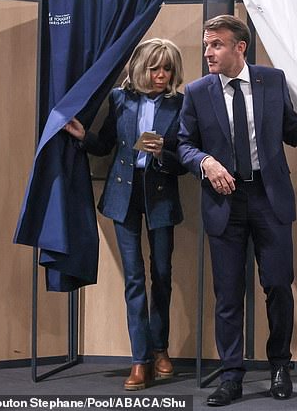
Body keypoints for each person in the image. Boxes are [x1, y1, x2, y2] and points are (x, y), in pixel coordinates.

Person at [177, 15, 297, 406]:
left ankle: (280, 366)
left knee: (278, 286)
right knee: (228, 294)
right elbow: (182, 145)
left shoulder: (272, 81)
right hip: (224, 201)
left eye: (217, 45)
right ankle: (231, 377)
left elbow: (291, 131)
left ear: (239, 48)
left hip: (269, 198)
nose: (208, 52)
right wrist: (205, 162)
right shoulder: (196, 92)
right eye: (207, 44)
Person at [63, 38, 187, 391]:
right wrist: (83, 136)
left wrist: (165, 152)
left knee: (162, 275)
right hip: (123, 195)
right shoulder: (121, 99)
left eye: (167, 69)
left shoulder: (180, 103)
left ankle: (160, 347)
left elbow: (185, 159)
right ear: (141, 68)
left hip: (161, 194)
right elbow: (105, 146)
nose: (161, 75)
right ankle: (140, 359)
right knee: (134, 279)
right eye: (155, 68)